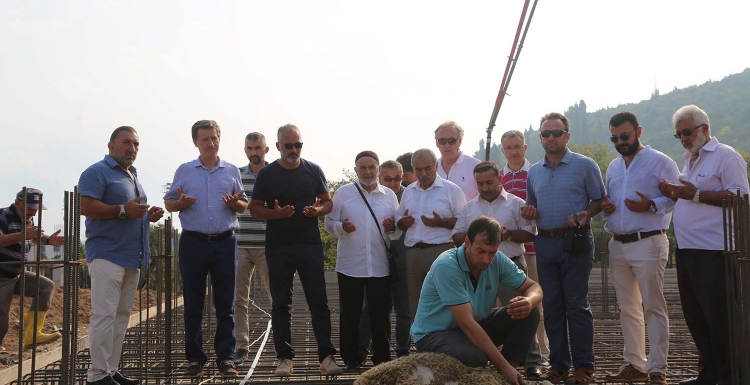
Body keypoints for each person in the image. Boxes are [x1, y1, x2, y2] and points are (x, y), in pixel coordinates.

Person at [659, 105, 749, 385]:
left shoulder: (726, 157)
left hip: (716, 252)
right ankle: (709, 374)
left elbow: (740, 198)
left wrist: (695, 194)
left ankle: (728, 375)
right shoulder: (690, 160)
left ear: (705, 129)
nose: (684, 138)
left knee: (720, 319)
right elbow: (688, 196)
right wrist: (672, 193)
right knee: (697, 318)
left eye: (687, 132)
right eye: (679, 135)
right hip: (688, 252)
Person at [249, 124, 343, 377]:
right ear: (278, 146)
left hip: (309, 244)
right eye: (288, 145)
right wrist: (275, 215)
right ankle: (284, 359)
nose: (293, 150)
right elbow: (254, 207)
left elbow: (327, 202)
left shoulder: (313, 170)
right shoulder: (267, 174)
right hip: (279, 246)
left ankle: (326, 356)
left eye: (297, 145)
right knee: (281, 304)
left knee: (319, 302)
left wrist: (317, 211)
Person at [522, 112, 604, 384]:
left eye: (557, 133)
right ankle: (558, 365)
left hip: (575, 241)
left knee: (577, 305)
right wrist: (529, 211)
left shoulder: (585, 165)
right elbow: (532, 205)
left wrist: (586, 214)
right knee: (553, 306)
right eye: (546, 134)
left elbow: (598, 200)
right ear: (541, 138)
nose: (551, 138)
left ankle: (584, 366)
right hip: (544, 242)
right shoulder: (534, 171)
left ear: (567, 136)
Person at [411, 216, 542, 385]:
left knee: (529, 313)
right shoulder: (446, 265)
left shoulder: (498, 259)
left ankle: (508, 375)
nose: (486, 259)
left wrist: (530, 301)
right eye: (480, 251)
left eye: (492, 252)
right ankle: (504, 370)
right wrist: (500, 365)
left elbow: (534, 287)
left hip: (475, 325)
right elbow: (467, 324)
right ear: (467, 242)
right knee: (475, 357)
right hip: (435, 333)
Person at [79, 127, 164, 385]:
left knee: (120, 317)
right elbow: (86, 206)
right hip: (107, 254)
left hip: (131, 256)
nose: (132, 148)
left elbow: (129, 212)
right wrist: (123, 210)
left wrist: (147, 216)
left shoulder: (132, 175)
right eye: (126, 143)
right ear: (110, 145)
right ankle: (97, 376)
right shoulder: (96, 172)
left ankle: (111, 370)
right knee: (104, 316)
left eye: (136, 144)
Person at [164, 120, 247, 378]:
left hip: (225, 241)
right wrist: (181, 203)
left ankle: (226, 357)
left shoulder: (231, 170)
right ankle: (195, 358)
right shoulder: (185, 170)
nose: (211, 143)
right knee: (193, 303)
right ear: (195, 142)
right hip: (193, 243)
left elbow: (244, 204)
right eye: (205, 139)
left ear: (219, 139)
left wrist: (236, 203)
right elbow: (169, 204)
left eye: (214, 138)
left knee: (226, 304)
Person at [601, 112, 679, 385]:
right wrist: (607, 210)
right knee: (628, 308)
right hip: (619, 245)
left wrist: (652, 205)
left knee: (654, 307)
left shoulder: (661, 162)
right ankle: (635, 363)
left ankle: (658, 369)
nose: (620, 141)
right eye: (615, 138)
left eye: (624, 136)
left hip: (649, 241)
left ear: (638, 131)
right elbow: (609, 205)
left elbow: (675, 198)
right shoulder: (612, 167)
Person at [451, 161, 543, 380]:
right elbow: (456, 236)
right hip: (478, 269)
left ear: (500, 178)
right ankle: (487, 360)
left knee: (523, 310)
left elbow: (530, 234)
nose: (484, 187)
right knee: (481, 316)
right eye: (480, 183)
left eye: (489, 182)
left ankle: (531, 362)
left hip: (510, 264)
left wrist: (508, 234)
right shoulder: (469, 207)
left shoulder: (516, 203)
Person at [325, 151, 399, 370]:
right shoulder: (343, 193)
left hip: (379, 264)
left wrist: (392, 228)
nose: (367, 172)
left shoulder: (389, 195)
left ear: (378, 169)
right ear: (356, 169)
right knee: (350, 314)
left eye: (371, 167)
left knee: (381, 315)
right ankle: (351, 358)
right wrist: (341, 228)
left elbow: (396, 232)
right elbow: (329, 223)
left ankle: (382, 360)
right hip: (350, 264)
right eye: (362, 167)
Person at [500, 129, 550, 373]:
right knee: (505, 305)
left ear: (525, 147)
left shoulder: (537, 173)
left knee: (532, 302)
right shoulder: (497, 177)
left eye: (517, 146)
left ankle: (540, 354)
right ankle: (510, 356)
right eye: (509, 148)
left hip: (532, 248)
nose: (513, 151)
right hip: (504, 251)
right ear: (503, 151)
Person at [396, 148, 466, 320]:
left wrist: (441, 222)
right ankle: (422, 345)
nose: (423, 173)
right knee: (416, 305)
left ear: (436, 165)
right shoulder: (409, 191)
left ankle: (444, 345)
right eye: (418, 169)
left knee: (444, 303)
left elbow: (464, 222)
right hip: (413, 254)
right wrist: (402, 223)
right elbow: (398, 219)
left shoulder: (452, 190)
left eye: (427, 168)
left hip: (441, 251)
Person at [358, 160, 412, 360]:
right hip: (378, 262)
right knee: (370, 309)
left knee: (403, 311)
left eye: (397, 179)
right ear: (380, 177)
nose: (392, 183)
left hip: (403, 261)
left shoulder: (412, 196)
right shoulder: (372, 196)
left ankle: (403, 351)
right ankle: (362, 350)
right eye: (387, 179)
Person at [0, 189, 64, 351]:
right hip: (2, 273)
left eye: (36, 208)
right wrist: (23, 235)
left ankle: (32, 334)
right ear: (17, 203)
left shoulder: (27, 218)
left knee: (45, 286)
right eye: (30, 207)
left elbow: (34, 236)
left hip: (16, 272)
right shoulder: (4, 216)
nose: (34, 212)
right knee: (2, 321)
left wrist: (49, 240)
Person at [232, 132, 273, 365]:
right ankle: (241, 346)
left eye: (258, 147)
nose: (254, 152)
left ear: (266, 149)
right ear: (245, 150)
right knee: (238, 299)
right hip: (240, 245)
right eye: (249, 148)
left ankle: (281, 346)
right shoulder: (235, 175)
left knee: (277, 297)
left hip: (268, 246)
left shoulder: (275, 175)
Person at [435, 121, 481, 201]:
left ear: (460, 141)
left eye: (451, 140)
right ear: (437, 143)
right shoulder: (432, 169)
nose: (447, 145)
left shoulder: (475, 166)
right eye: (442, 141)